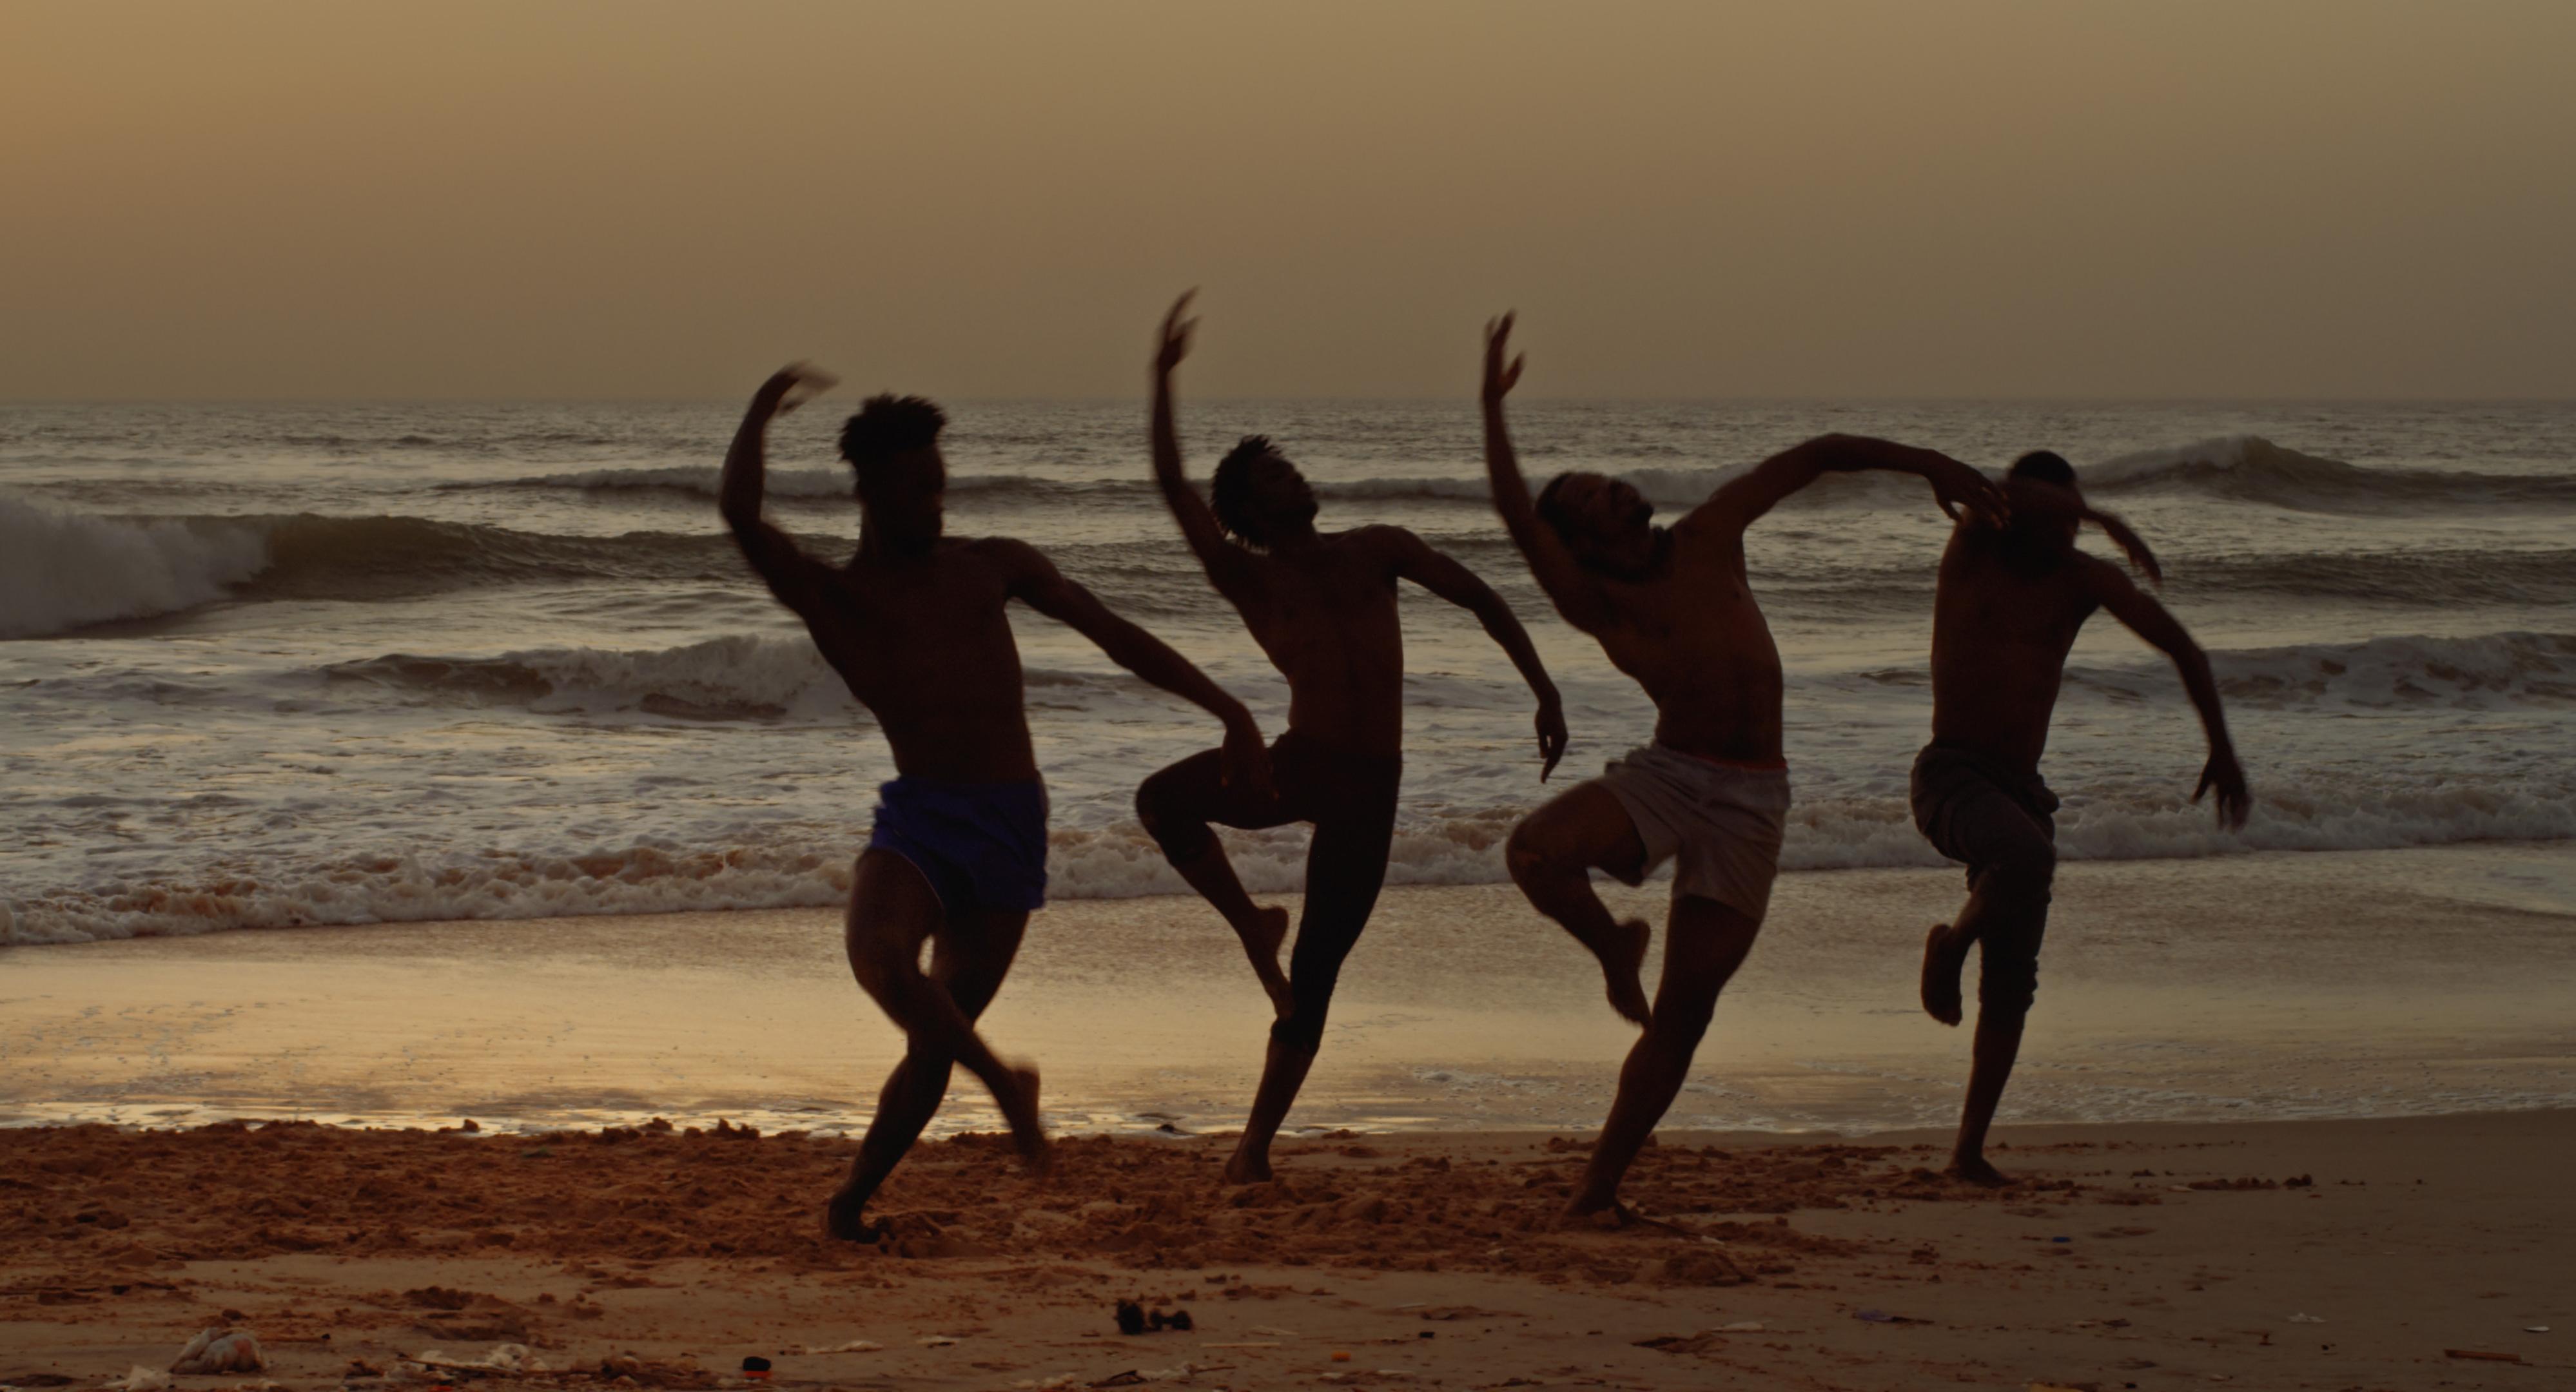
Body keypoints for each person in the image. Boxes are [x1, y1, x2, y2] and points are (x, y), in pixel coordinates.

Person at [719, 364, 1273, 1238]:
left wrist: (1228, 709)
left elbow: (1114, 632)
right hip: (917, 819)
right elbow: (742, 517)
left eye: (940, 484)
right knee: (887, 966)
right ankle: (1008, 1087)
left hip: (1009, 824)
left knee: (934, 1036)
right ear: (867, 492)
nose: (935, 504)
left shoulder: (990, 568)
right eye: (915, 489)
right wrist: (760, 408)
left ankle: (849, 1203)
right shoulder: (839, 597)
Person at [1476, 314, 2002, 1223]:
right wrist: (1491, 409)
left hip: (1754, 800)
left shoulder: (1710, 533)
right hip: (1672, 775)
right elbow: (1518, 519)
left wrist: (1934, 465)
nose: (1615, 492)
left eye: (1610, 482)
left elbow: (1819, 453)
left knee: (1687, 1015)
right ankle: (1612, 946)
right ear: (1584, 540)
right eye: (1595, 499)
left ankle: (1597, 1194)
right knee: (1533, 853)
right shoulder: (1594, 601)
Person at [1135, 294, 1568, 1184]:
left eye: (1291, 470)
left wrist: (1542, 687)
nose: (1294, 481)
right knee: (1159, 801)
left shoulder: (1378, 548)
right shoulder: (1248, 579)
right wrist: (1161, 378)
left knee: (1320, 968)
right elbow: (1175, 491)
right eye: (1274, 482)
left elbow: (1482, 598)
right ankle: (1249, 921)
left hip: (1373, 786)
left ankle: (1252, 1147)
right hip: (1297, 769)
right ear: (1252, 513)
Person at [1914, 449, 2249, 1184]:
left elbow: (2182, 646)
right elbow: (1996, 490)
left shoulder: (2082, 582)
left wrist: (2222, 748)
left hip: (2022, 793)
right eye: (2060, 520)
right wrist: (2104, 514)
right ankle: (1948, 946)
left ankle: (1967, 1151)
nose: (2070, 537)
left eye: (2077, 522)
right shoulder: (1973, 551)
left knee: (2015, 978)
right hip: (1950, 779)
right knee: (2026, 860)